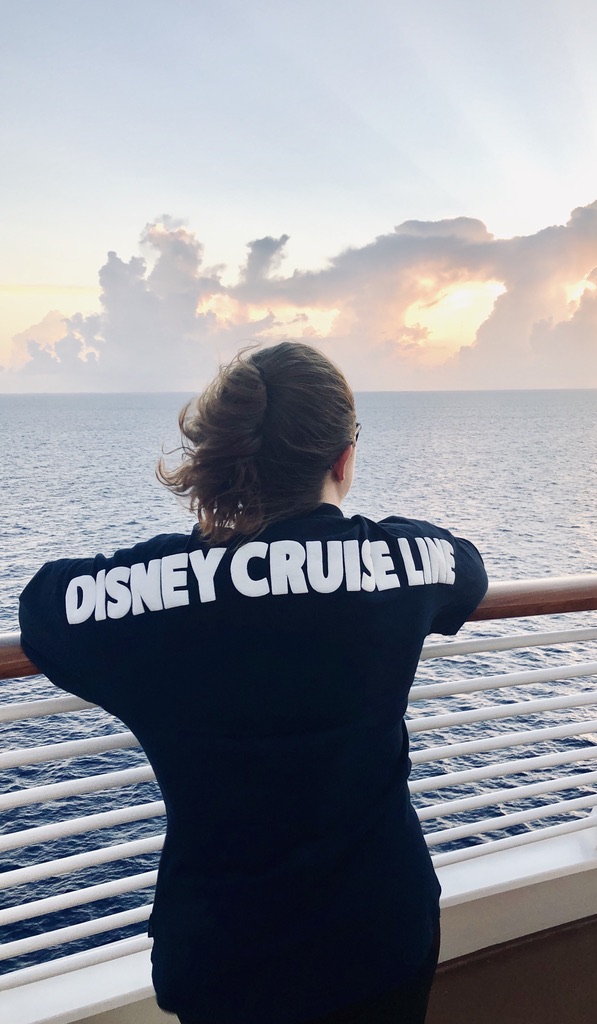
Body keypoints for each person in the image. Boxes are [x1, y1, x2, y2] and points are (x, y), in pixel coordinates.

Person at [18, 342, 488, 1024]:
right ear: (343, 459)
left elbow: (43, 605)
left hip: (227, 957)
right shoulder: (397, 562)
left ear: (226, 458)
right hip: (380, 933)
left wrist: (184, 566)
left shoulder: (156, 593)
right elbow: (466, 569)